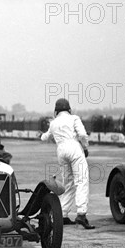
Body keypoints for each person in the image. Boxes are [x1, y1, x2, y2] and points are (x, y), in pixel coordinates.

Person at [39, 98, 94, 229]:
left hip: (61, 151)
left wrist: (41, 136)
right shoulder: (74, 118)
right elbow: (82, 135)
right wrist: (85, 147)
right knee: (81, 180)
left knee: (67, 182)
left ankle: (63, 214)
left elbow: (45, 137)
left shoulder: (53, 123)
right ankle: (81, 214)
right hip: (74, 148)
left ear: (56, 110)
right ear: (69, 109)